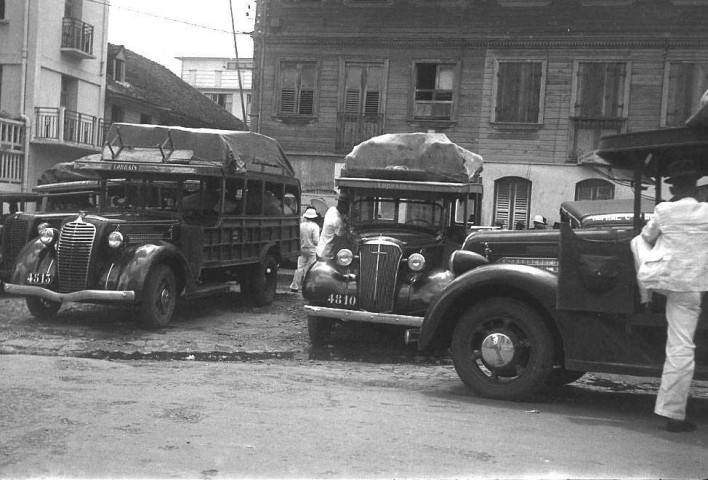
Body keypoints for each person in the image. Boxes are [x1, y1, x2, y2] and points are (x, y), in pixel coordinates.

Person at [630, 158, 708, 433]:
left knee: (637, 241)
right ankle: (673, 414)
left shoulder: (664, 210)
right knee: (681, 348)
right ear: (695, 187)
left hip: (662, 281)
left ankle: (645, 298)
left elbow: (646, 236)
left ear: (674, 187)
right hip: (692, 288)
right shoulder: (706, 211)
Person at [290, 207, 321, 292]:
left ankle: (294, 286)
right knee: (312, 268)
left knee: (299, 268)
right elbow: (316, 240)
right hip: (312, 250)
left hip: (301, 248)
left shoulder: (301, 225)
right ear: (314, 217)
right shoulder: (315, 227)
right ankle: (308, 286)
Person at [316, 191, 350, 260]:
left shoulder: (331, 210)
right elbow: (341, 239)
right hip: (327, 254)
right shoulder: (338, 221)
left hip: (320, 249)